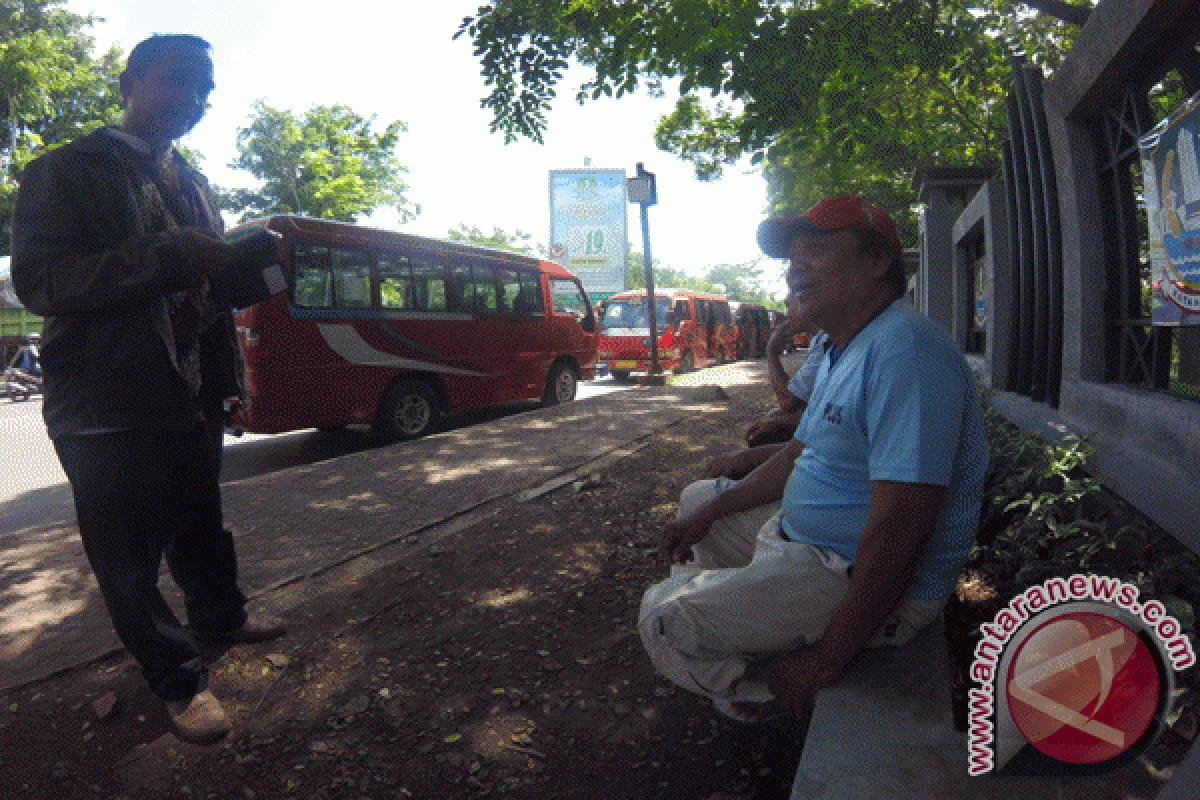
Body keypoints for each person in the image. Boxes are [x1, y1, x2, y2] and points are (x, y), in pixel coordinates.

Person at [11, 34, 285, 745]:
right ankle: (178, 678)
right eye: (178, 81)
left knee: (201, 524)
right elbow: (41, 284)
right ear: (129, 82)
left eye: (205, 88)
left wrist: (256, 268)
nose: (195, 99)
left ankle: (220, 617)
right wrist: (165, 255)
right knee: (127, 559)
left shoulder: (190, 180)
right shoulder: (64, 171)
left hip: (188, 392)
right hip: (105, 403)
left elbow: (209, 293)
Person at [637, 196, 987, 722]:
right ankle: (758, 625)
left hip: (853, 574)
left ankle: (767, 692)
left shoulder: (905, 352)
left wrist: (823, 662)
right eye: (792, 255)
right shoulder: (848, 344)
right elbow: (802, 451)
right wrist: (714, 509)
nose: (795, 266)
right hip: (809, 546)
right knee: (700, 508)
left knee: (662, 619)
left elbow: (900, 529)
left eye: (817, 249)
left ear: (876, 264)